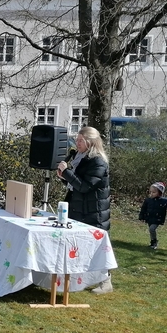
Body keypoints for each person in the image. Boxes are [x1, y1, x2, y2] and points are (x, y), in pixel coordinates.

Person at [56, 126, 112, 293]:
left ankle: (106, 282)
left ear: (91, 142)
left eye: (81, 140)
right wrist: (63, 176)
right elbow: (75, 184)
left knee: (97, 248)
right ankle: (78, 279)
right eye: (77, 140)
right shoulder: (81, 158)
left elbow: (85, 186)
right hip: (79, 208)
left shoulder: (98, 161)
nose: (77, 143)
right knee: (79, 245)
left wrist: (67, 173)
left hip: (94, 211)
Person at [138, 182, 167, 249]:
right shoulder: (148, 200)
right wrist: (141, 216)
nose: (151, 193)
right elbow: (143, 209)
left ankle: (154, 242)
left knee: (152, 229)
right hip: (149, 218)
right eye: (150, 192)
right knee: (151, 230)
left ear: (160, 193)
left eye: (154, 192)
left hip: (158, 219)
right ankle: (152, 242)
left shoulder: (164, 201)